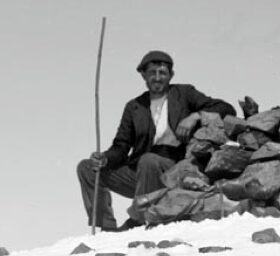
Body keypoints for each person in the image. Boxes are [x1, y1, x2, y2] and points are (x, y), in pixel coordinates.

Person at [78, 50, 235, 232]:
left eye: (163, 73)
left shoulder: (184, 93)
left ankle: (138, 219)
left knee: (149, 160)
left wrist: (195, 116)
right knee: (87, 168)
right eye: (152, 73)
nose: (158, 78)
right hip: (140, 173)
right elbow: (121, 146)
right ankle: (107, 228)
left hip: (177, 171)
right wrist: (105, 158)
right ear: (143, 75)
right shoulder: (134, 107)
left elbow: (225, 108)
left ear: (171, 75)